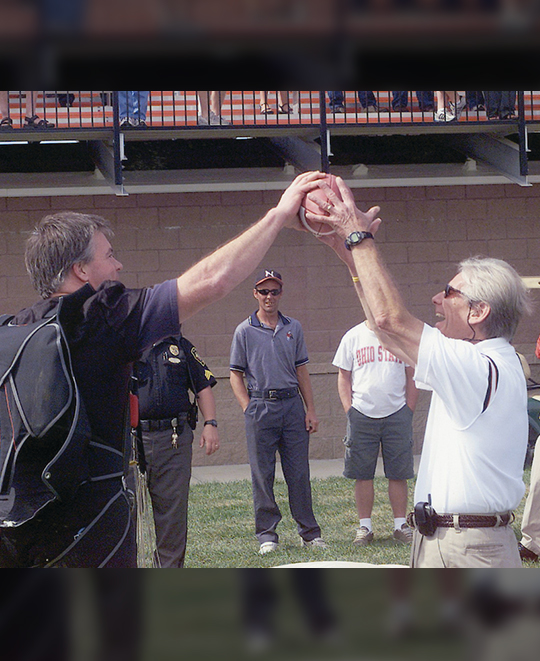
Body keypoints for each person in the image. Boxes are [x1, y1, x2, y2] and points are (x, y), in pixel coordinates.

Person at [0, 169, 326, 567]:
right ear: (81, 271)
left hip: (20, 527)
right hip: (89, 535)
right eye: (108, 255)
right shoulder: (102, 316)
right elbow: (212, 281)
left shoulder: (12, 329)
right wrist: (278, 215)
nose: (118, 265)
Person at [304, 174, 531, 568]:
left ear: (479, 312)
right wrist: (351, 259)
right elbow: (384, 331)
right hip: (458, 542)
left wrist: (358, 237)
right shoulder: (486, 362)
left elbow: (392, 320)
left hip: (467, 549)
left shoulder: (477, 366)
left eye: (450, 292)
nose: (437, 299)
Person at [230, 269, 326, 555]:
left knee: (299, 472)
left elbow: (302, 371)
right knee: (263, 474)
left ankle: (309, 533)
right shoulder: (244, 330)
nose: (269, 297)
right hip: (260, 406)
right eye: (264, 291)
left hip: (292, 407)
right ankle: (267, 535)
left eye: (274, 291)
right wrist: (248, 407)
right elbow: (235, 374)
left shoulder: (292, 327)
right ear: (255, 294)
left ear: (281, 293)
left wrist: (311, 409)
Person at [135, 334, 219, 568]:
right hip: (131, 441)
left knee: (172, 514)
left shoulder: (180, 346)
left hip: (172, 439)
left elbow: (202, 387)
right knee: (126, 511)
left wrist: (210, 424)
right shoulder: (126, 343)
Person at [333, 320, 418, 546]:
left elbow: (412, 375)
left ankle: (400, 525)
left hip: (397, 413)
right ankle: (365, 527)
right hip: (361, 414)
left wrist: (408, 409)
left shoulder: (399, 336)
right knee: (363, 473)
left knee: (398, 472)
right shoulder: (353, 336)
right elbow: (344, 376)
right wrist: (349, 410)